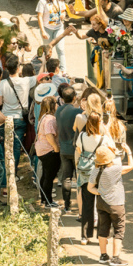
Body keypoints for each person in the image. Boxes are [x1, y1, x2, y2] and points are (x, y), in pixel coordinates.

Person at [87, 145, 133, 266]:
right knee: (118, 229)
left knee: (103, 228)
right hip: (116, 203)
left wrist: (100, 192)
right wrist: (129, 152)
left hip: (101, 203)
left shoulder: (95, 170)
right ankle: (115, 258)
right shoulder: (115, 169)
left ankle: (103, 256)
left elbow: (90, 188)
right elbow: (131, 166)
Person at [74, 111, 116, 244]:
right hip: (100, 173)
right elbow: (113, 149)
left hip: (85, 174)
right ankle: (102, 236)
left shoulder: (81, 136)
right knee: (102, 206)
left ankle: (85, 236)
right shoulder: (103, 138)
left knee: (87, 205)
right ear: (99, 123)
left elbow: (79, 150)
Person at [55, 85, 81, 214]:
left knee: (66, 178)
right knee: (80, 177)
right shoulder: (77, 111)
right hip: (75, 148)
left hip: (63, 148)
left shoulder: (58, 110)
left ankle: (67, 205)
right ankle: (81, 204)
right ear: (75, 97)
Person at [34, 96, 61, 208]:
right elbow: (49, 135)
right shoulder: (50, 119)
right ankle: (49, 201)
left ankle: (44, 199)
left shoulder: (43, 117)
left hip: (41, 150)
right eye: (55, 103)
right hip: (49, 150)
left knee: (45, 175)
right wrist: (56, 148)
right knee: (49, 177)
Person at [37, 0, 67, 72]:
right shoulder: (43, 1)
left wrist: (63, 15)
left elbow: (63, 11)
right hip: (47, 29)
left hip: (58, 28)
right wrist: (43, 31)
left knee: (60, 49)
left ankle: (63, 70)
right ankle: (48, 69)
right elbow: (39, 16)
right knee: (47, 51)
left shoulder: (60, 0)